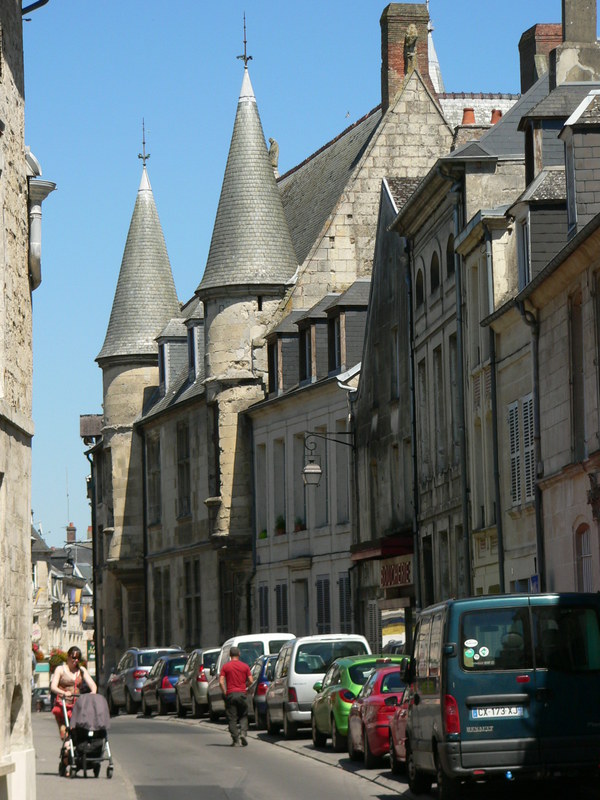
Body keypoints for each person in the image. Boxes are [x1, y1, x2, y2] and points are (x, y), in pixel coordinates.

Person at [50, 646, 97, 739]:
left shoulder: (81, 670)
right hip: (62, 706)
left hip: (77, 707)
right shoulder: (60, 669)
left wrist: (93, 692)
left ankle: (76, 749)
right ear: (68, 657)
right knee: (66, 735)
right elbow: (53, 687)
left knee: (78, 733)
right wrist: (63, 693)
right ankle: (67, 748)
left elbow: (93, 685)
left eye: (78, 658)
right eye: (74, 657)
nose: (76, 660)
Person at [219, 646, 253, 746]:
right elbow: (251, 680)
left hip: (230, 694)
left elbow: (221, 681)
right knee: (243, 715)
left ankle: (236, 740)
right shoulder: (245, 666)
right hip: (242, 694)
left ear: (230, 655)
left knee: (232, 718)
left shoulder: (225, 667)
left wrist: (225, 691)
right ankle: (243, 733)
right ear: (239, 654)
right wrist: (245, 686)